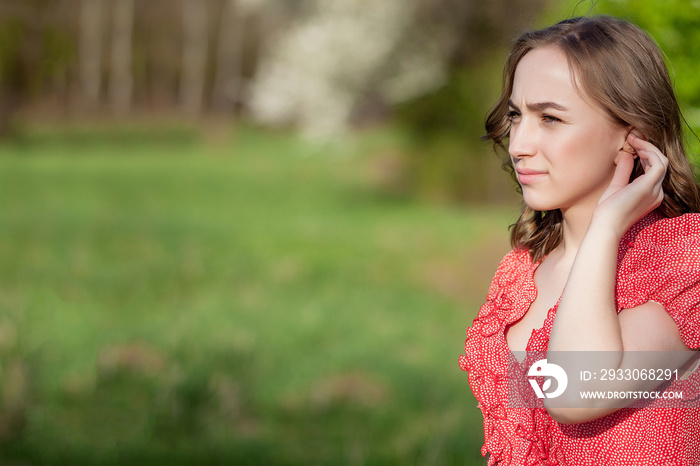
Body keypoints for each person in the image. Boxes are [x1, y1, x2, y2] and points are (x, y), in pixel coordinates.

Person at [458, 15, 700, 465]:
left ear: (633, 134)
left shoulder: (682, 261)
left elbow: (574, 392)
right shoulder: (522, 269)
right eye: (516, 115)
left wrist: (606, 226)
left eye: (550, 118)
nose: (518, 144)